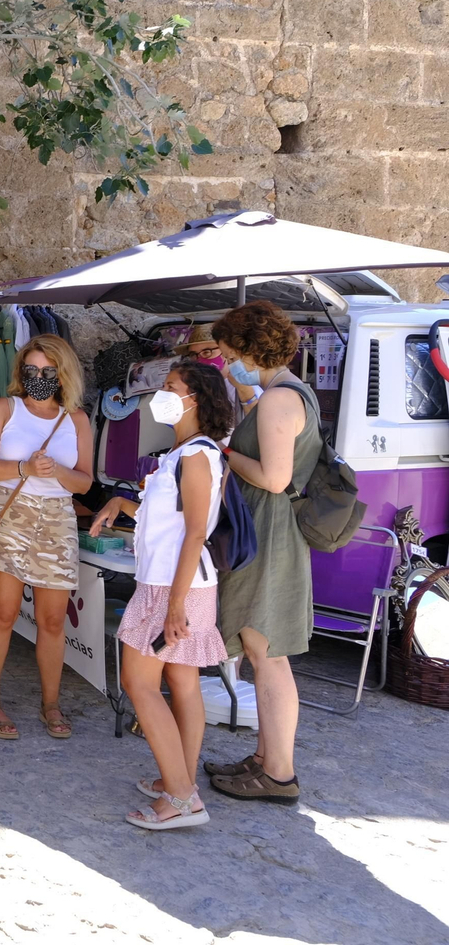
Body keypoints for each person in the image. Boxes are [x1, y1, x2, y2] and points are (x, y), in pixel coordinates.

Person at [90, 361, 233, 829]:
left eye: (170, 387)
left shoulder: (195, 456)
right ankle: (180, 780)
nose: (160, 395)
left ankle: (181, 797)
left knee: (139, 683)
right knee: (183, 686)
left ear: (197, 399)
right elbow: (169, 519)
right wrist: (121, 503)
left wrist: (173, 605)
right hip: (179, 585)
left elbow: (195, 532)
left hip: (175, 588)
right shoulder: (187, 452)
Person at [202, 301, 320, 804]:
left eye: (230, 353)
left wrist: (225, 451)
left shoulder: (277, 401)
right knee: (261, 651)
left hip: (268, 535)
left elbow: (275, 479)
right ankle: (266, 758)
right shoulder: (288, 393)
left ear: (251, 349)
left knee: (266, 654)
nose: (229, 363)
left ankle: (278, 774)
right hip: (271, 533)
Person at [0, 334, 94, 741]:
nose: (39, 377)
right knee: (2, 614)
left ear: (62, 374)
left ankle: (51, 703)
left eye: (47, 370)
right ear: (21, 371)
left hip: (57, 519)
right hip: (11, 513)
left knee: (53, 620)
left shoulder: (77, 419)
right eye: (31, 370)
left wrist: (56, 471)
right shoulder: (5, 409)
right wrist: (24, 467)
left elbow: (85, 483)